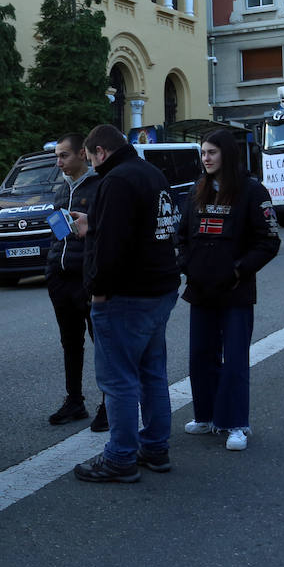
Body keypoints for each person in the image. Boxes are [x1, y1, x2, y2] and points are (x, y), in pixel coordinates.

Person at [73, 123, 180, 484]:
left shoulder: (115, 181)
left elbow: (113, 246)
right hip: (160, 288)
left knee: (118, 380)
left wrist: (98, 290)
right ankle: (155, 447)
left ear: (100, 152)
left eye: (91, 159)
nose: (91, 167)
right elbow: (143, 226)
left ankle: (120, 457)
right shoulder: (150, 173)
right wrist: (94, 222)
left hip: (126, 295)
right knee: (152, 374)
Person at [178, 130, 281, 451]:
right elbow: (181, 235)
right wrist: (186, 264)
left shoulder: (252, 190)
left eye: (211, 152)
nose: (205, 158)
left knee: (234, 359)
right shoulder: (198, 190)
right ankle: (206, 416)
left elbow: (269, 240)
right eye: (203, 153)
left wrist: (238, 269)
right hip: (201, 290)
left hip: (235, 292)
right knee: (201, 356)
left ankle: (236, 424)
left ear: (227, 154)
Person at [44, 133, 106, 430]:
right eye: (57, 156)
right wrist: (52, 268)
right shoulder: (61, 189)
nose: (59, 163)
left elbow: (107, 231)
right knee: (70, 341)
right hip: (61, 277)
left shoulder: (100, 186)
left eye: (64, 156)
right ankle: (74, 400)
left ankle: (109, 403)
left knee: (102, 343)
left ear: (83, 154)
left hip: (87, 278)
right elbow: (56, 232)